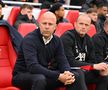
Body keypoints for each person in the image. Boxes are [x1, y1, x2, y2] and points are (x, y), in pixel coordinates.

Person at [12, 12, 87, 90]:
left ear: (55, 26)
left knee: (74, 76)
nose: (47, 27)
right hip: (22, 75)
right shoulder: (29, 40)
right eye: (44, 23)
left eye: (50, 24)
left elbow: (62, 61)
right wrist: (58, 76)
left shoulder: (57, 40)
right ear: (39, 24)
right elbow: (33, 67)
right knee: (40, 79)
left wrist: (66, 72)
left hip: (43, 74)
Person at [61, 14, 108, 90]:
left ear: (89, 27)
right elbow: (69, 62)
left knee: (104, 76)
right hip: (67, 71)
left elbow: (92, 61)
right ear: (75, 24)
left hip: (83, 71)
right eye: (81, 24)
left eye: (86, 25)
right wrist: (92, 66)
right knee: (79, 73)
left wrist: (101, 70)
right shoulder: (67, 37)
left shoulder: (89, 39)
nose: (83, 27)